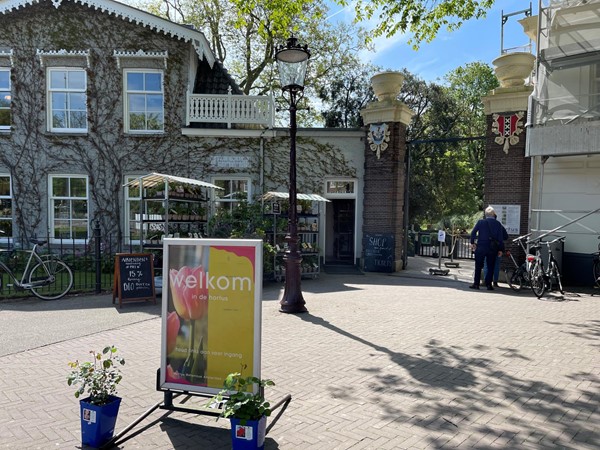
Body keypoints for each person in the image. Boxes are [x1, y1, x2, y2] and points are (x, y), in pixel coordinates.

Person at [470, 206, 505, 290]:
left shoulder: (480, 222)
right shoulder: (498, 224)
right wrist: (500, 249)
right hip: (492, 248)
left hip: (481, 246)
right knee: (490, 266)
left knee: (478, 266)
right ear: (493, 215)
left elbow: (473, 232)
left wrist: (472, 243)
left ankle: (476, 284)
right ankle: (489, 285)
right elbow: (500, 238)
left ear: (485, 215)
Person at [484, 213, 509, 287]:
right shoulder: (499, 225)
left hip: (488, 247)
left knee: (486, 264)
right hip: (498, 247)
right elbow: (506, 236)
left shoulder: (485, 224)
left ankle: (487, 280)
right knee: (496, 265)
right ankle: (495, 281)